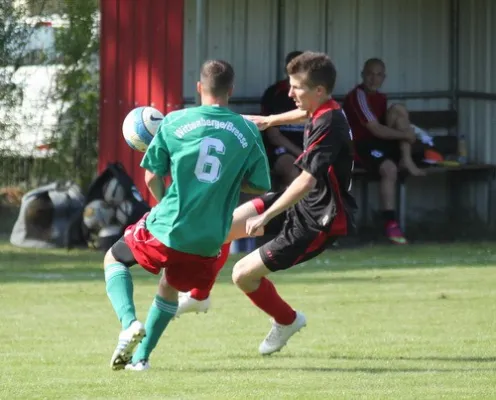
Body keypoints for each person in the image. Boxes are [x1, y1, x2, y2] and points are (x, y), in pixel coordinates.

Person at [175, 51, 356, 359]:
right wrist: (269, 120)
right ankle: (199, 295)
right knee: (222, 228)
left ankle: (287, 320)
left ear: (319, 91)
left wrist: (269, 214)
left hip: (320, 221)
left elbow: (306, 181)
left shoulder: (330, 124)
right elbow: (305, 115)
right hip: (301, 205)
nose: (289, 93)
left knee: (242, 275)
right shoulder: (323, 108)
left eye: (296, 87)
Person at [103, 59, 271, 371]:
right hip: (210, 239)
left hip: (171, 225)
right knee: (169, 286)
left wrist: (164, 206)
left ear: (199, 88)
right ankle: (140, 360)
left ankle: (129, 324)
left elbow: (153, 178)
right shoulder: (247, 130)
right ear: (230, 91)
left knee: (114, 259)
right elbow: (260, 184)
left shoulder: (174, 122)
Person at [342, 58, 424, 245]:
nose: (373, 78)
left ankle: (406, 159)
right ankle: (390, 222)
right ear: (363, 75)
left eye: (378, 75)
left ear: (384, 78)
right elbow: (375, 129)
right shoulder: (358, 96)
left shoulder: (381, 98)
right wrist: (406, 135)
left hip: (379, 144)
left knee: (399, 110)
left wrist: (404, 133)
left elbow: (385, 128)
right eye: (370, 74)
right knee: (389, 169)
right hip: (361, 146)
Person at [260, 51, 305, 187]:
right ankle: (289, 209)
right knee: (292, 170)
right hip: (282, 150)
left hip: (308, 151)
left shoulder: (315, 93)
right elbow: (274, 136)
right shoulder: (274, 93)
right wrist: (302, 155)